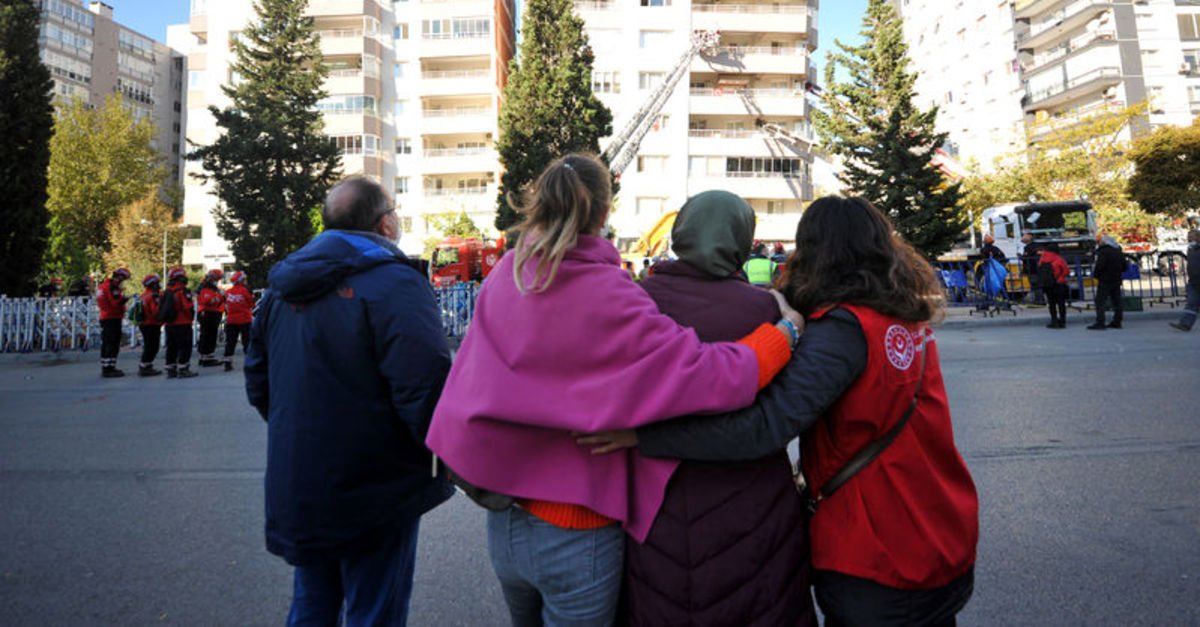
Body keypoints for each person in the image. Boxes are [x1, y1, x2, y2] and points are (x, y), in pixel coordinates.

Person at [425, 154, 801, 627]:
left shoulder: (507, 275)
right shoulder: (608, 291)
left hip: (503, 519)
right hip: (574, 527)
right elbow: (707, 374)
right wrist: (784, 333)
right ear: (604, 214)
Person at [580, 195, 979, 627]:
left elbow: (764, 426)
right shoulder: (900, 317)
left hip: (878, 551)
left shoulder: (842, 331)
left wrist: (646, 437)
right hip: (939, 533)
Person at [245, 177, 455, 626]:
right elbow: (424, 388)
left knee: (312, 605)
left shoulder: (283, 286)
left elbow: (259, 384)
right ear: (384, 223)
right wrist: (446, 455)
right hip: (376, 485)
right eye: (395, 212)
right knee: (374, 609)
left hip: (301, 475)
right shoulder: (394, 281)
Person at [626, 190, 815, 626]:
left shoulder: (637, 301)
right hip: (753, 497)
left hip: (657, 496)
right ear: (741, 240)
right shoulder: (766, 311)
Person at [159, 267, 197, 379]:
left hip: (169, 324)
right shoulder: (182, 291)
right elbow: (187, 306)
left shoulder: (167, 291)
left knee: (171, 347)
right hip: (182, 323)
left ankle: (171, 370)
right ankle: (183, 369)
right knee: (185, 347)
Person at [96, 267, 132, 378]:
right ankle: (108, 369)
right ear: (120, 277)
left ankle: (107, 366)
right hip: (112, 317)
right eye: (123, 279)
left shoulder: (103, 286)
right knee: (112, 343)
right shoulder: (112, 287)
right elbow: (115, 303)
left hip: (106, 317)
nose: (123, 281)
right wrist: (124, 299)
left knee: (108, 343)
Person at [1089, 233, 1125, 330]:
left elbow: (1100, 266)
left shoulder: (1103, 252)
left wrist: (1096, 275)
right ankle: (1117, 321)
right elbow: (1125, 266)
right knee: (1117, 301)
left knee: (1100, 301)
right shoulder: (1118, 252)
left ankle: (1100, 322)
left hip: (1105, 280)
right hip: (1116, 279)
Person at [222, 271, 254, 372]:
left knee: (230, 342)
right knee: (247, 341)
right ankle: (250, 362)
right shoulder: (245, 291)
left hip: (231, 320)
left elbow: (226, 305)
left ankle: (227, 362)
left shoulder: (228, 292)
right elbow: (251, 304)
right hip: (245, 319)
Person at [1169, 229, 1200, 332]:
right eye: (1188, 236)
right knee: (1191, 303)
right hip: (1194, 281)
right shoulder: (1190, 249)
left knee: (1192, 303)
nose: (1189, 238)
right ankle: (1185, 324)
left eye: (1192, 236)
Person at [135, 274, 164, 377]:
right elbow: (155, 311)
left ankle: (147, 365)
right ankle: (145, 367)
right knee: (152, 346)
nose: (159, 285)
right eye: (157, 283)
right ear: (153, 285)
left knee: (149, 345)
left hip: (145, 324)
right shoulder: (153, 296)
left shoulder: (144, 295)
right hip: (151, 324)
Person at [196, 269, 225, 366]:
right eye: (217, 279)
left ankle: (206, 356)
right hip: (208, 313)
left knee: (209, 335)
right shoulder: (206, 287)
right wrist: (220, 297)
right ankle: (206, 357)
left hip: (210, 313)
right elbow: (208, 301)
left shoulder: (209, 286)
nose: (218, 281)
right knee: (208, 335)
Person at [1038, 244, 1071, 329]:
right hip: (1059, 283)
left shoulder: (1042, 259)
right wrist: (1060, 277)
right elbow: (1066, 271)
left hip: (1048, 284)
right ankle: (1062, 321)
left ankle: (1054, 321)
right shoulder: (1058, 259)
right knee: (1061, 303)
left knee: (1051, 303)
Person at [1019, 233, 1044, 305]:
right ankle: (1039, 300)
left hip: (1032, 269)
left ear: (1029, 237)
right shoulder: (1038, 246)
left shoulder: (1029, 247)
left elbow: (1026, 258)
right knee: (1037, 285)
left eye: (1024, 235)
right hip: (1039, 269)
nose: (1022, 237)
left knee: (1035, 285)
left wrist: (1021, 257)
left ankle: (1039, 301)